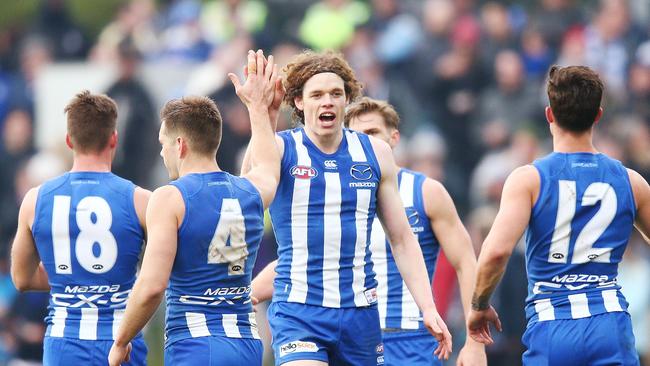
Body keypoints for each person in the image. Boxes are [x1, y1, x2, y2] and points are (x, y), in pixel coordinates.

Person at [247, 50, 452, 366]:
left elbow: (401, 239)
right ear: (299, 103)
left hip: (360, 313)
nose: (327, 101)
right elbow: (251, 197)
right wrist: (260, 114)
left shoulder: (376, 152)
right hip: (299, 311)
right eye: (316, 94)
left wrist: (428, 308)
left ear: (346, 101)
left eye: (335, 94)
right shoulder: (281, 147)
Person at [467, 65, 650, 365]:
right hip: (610, 325)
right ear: (598, 115)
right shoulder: (631, 182)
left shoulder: (529, 179)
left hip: (553, 324)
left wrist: (478, 305)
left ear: (549, 114)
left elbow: (496, 252)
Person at [108, 50, 281, 366]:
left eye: (163, 144)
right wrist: (259, 109)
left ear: (180, 145)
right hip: (246, 344)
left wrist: (121, 340)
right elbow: (269, 166)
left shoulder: (170, 198)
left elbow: (151, 287)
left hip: (197, 345)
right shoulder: (250, 191)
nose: (162, 154)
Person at [10, 90, 150, 365]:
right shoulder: (141, 200)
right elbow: (159, 273)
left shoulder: (35, 200)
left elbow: (22, 278)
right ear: (113, 139)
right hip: (122, 341)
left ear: (69, 140)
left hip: (64, 342)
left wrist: (75, 281)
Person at [345, 97, 486, 366]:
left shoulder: (426, 192)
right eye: (357, 135)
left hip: (414, 340)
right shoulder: (337, 195)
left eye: (373, 132)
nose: (367, 142)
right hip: (354, 340)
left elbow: (466, 263)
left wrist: (474, 342)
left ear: (394, 138)